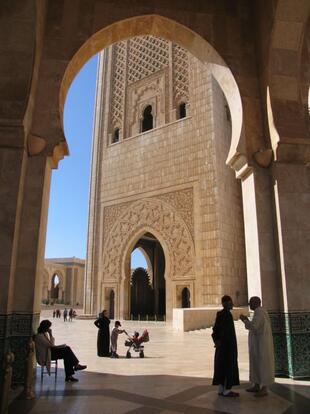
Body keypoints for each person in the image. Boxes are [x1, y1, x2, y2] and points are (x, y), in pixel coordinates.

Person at [240, 296, 275, 397]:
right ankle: (256, 385)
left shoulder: (259, 312)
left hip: (261, 344)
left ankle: (264, 388)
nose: (249, 304)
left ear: (256, 303)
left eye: (250, 303)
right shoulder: (261, 311)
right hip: (258, 343)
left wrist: (245, 320)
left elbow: (254, 326)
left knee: (262, 365)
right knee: (256, 363)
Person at [212, 295, 240, 397]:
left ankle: (221, 389)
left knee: (221, 367)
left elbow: (215, 330)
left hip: (221, 347)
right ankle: (227, 390)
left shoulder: (220, 314)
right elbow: (225, 333)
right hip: (227, 347)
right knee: (228, 366)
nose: (232, 304)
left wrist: (217, 341)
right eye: (230, 302)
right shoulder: (227, 315)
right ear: (226, 304)